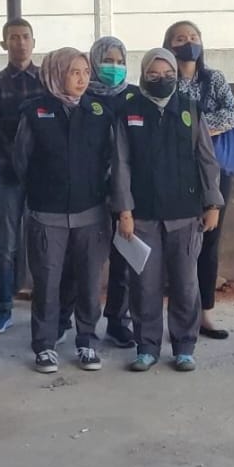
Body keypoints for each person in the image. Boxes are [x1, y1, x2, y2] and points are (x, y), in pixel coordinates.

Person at [113, 48, 223, 372]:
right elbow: (121, 164)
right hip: (142, 215)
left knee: (185, 284)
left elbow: (206, 160)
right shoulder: (129, 111)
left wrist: (213, 202)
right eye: (154, 74)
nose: (161, 79)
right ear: (143, 75)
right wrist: (124, 211)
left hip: (185, 214)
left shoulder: (190, 109)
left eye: (168, 74)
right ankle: (146, 346)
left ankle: (184, 346)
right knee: (144, 285)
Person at [13, 48, 115, 373]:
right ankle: (44, 345)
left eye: (85, 72)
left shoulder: (99, 112)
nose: (82, 79)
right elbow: (21, 160)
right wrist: (43, 188)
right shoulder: (34, 112)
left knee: (88, 282)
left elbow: (111, 159)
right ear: (56, 74)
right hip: (47, 213)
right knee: (47, 283)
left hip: (91, 213)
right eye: (74, 72)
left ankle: (87, 341)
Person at [164, 20, 234, 339]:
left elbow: (232, 115)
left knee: (210, 241)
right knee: (178, 244)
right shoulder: (163, 80)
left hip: (214, 171)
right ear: (168, 45)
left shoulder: (214, 79)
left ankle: (205, 312)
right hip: (175, 172)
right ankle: (180, 313)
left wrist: (193, 128)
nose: (188, 42)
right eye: (180, 38)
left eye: (194, 37)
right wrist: (201, 129)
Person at [0, 17, 42, 335]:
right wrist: (18, 159)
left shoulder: (48, 80)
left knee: (45, 244)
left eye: (25, 36)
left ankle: (46, 309)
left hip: (43, 175)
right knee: (5, 244)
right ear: (4, 44)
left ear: (34, 42)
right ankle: (3, 308)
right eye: (14, 37)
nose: (20, 43)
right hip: (6, 173)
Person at [83, 35, 138, 349]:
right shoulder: (81, 93)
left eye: (120, 62)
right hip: (88, 189)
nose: (114, 68)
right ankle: (70, 320)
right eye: (107, 61)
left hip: (126, 190)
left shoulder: (134, 96)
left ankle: (118, 321)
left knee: (124, 261)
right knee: (82, 262)